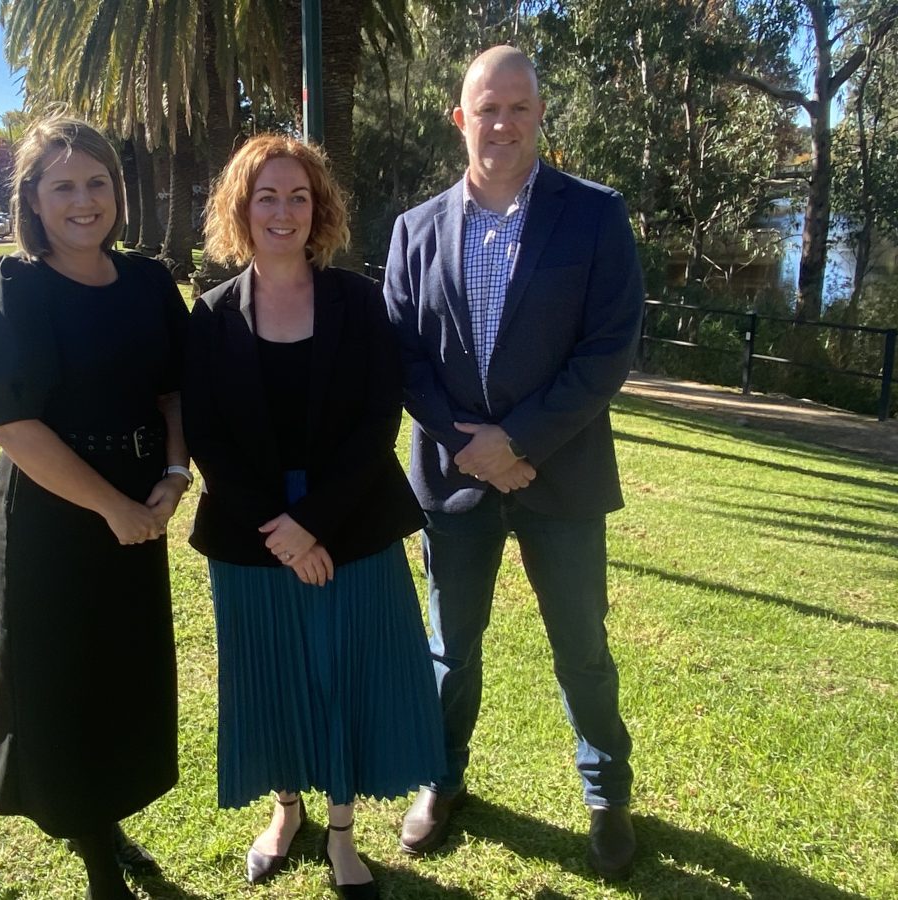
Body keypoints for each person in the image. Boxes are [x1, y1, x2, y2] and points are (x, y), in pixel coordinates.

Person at [383, 45, 644, 879]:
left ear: (539, 117)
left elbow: (607, 351)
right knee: (450, 649)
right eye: (485, 108)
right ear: (460, 118)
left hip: (559, 479)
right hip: (453, 484)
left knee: (582, 649)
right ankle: (441, 778)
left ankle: (606, 797)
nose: (501, 123)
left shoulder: (596, 216)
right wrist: (472, 446)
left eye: (518, 107)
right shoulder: (414, 230)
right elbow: (404, 357)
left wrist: (517, 442)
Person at [183, 133, 447, 900]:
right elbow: (208, 437)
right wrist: (280, 528)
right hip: (249, 533)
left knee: (343, 676)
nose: (284, 210)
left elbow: (376, 423)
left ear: (319, 209)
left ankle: (341, 832)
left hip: (352, 524)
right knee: (273, 680)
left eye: (299, 196)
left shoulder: (359, 303)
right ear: (242, 208)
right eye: (267, 196)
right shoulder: (210, 315)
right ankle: (285, 813)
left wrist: (316, 525)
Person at [0, 112, 191, 900]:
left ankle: (109, 818)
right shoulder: (3, 291)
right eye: (63, 187)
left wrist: (174, 474)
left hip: (140, 505)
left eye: (97, 182)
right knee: (62, 679)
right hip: (53, 518)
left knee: (124, 672)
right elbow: (13, 427)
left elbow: (173, 390)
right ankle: (93, 857)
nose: (83, 200)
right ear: (32, 199)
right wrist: (110, 508)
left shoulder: (151, 282)